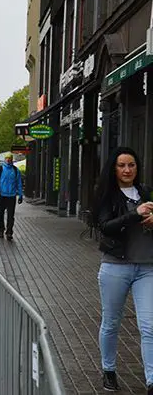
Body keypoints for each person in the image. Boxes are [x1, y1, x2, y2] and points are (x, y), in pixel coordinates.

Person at [90, 147, 153, 393]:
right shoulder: (106, 195)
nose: (127, 170)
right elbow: (105, 226)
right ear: (114, 169)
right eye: (122, 165)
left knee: (149, 325)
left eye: (132, 165)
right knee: (111, 322)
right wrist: (134, 214)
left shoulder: (145, 191)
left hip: (147, 266)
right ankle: (109, 370)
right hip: (116, 266)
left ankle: (150, 380)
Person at [0, 153, 24, 240]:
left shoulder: (15, 170)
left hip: (12, 196)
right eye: (7, 158)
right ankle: (1, 229)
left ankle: (9, 232)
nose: (8, 160)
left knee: (11, 215)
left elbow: (19, 184)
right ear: (4, 159)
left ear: (12, 159)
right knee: (0, 214)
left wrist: (20, 195)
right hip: (1, 195)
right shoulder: (0, 169)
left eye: (10, 158)